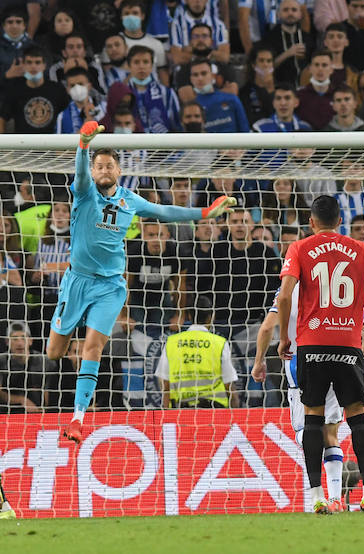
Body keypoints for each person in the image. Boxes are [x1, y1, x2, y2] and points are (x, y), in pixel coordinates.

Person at [51, 121, 237, 444]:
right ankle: (71, 404)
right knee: (55, 351)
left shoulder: (130, 200)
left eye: (109, 165)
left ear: (119, 170)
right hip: (77, 282)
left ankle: (78, 418)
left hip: (110, 287)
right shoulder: (83, 193)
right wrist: (82, 146)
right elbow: (79, 175)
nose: (104, 170)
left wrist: (204, 214)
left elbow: (166, 211)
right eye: (99, 166)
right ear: (94, 172)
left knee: (93, 346)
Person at [277, 194, 364, 514]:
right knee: (357, 418)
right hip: (348, 345)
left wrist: (283, 338)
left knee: (313, 419)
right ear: (340, 222)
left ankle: (317, 496)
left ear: (311, 223)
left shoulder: (299, 248)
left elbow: (284, 297)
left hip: (312, 344)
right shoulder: (361, 249)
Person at [253, 280, 348, 507]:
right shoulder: (336, 286)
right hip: (337, 360)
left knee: (307, 432)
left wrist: (259, 361)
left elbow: (267, 327)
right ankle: (336, 498)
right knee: (331, 433)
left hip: (302, 364)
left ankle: (317, 496)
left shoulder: (288, 290)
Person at [157, 296, 237, 408]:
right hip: (214, 412)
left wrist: (166, 415)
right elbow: (229, 384)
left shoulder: (171, 342)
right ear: (211, 317)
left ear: (189, 316)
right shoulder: (219, 343)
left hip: (180, 411)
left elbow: (165, 384)